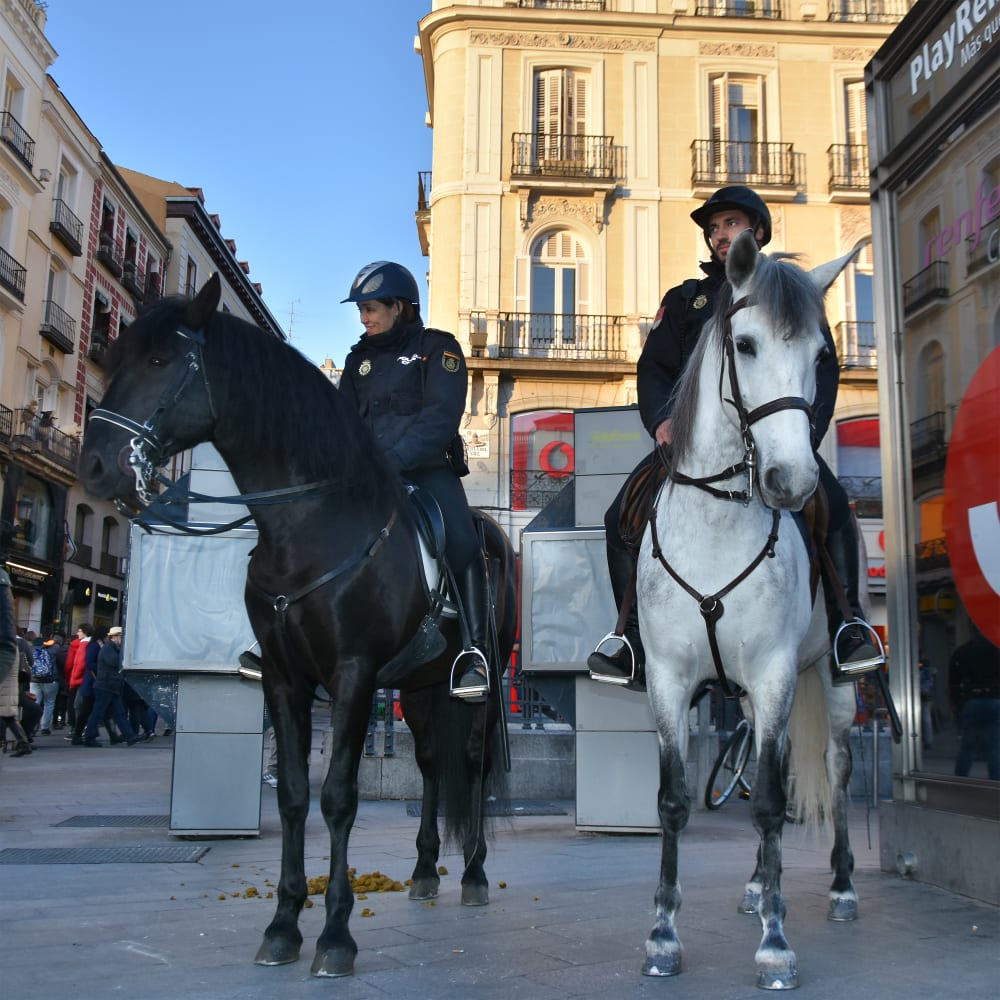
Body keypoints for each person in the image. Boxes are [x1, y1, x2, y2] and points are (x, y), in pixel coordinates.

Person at [587, 185, 883, 688]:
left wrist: (804, 434)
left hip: (775, 438)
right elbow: (654, 367)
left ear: (758, 232)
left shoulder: (791, 293)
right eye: (714, 228)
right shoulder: (685, 299)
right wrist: (661, 421)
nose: (721, 234)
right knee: (620, 515)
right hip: (691, 445)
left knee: (831, 505)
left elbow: (822, 371)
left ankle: (847, 624)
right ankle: (630, 637)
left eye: (731, 224)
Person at [337, 261, 490, 701]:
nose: (364, 318)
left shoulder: (437, 349)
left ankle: (474, 652)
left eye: (370, 308)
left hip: (426, 471)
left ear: (399, 307)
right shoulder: (357, 359)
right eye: (361, 310)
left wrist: (392, 461)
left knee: (461, 540)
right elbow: (341, 420)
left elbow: (439, 419)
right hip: (366, 478)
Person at [949, 628, 1000, 780]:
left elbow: (954, 682)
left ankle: (961, 779)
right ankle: (996, 781)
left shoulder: (962, 652)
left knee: (968, 745)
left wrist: (957, 704)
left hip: (972, 699)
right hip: (995, 698)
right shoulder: (996, 650)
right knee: (995, 746)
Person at [81, 625, 140, 747]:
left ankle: (130, 736)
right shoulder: (108, 648)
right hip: (106, 685)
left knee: (119, 712)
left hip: (112, 686)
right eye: (122, 637)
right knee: (98, 712)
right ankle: (89, 737)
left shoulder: (112, 648)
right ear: (116, 637)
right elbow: (115, 662)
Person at [0, 569, 32, 757]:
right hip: (11, 676)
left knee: (8, 713)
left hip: (7, 673)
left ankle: (21, 742)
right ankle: (22, 742)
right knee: (8, 713)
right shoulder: (20, 643)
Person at [28, 633, 59, 734]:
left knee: (34, 703)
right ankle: (45, 727)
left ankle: (32, 727)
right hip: (50, 680)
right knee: (49, 703)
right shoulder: (55, 648)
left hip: (34, 679)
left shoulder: (31, 648)